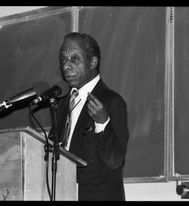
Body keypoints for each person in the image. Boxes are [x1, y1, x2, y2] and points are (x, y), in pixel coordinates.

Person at [50, 32, 129, 201]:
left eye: (74, 59)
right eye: (63, 59)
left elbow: (114, 161)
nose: (66, 66)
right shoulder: (62, 102)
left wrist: (102, 123)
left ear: (92, 62)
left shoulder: (111, 101)